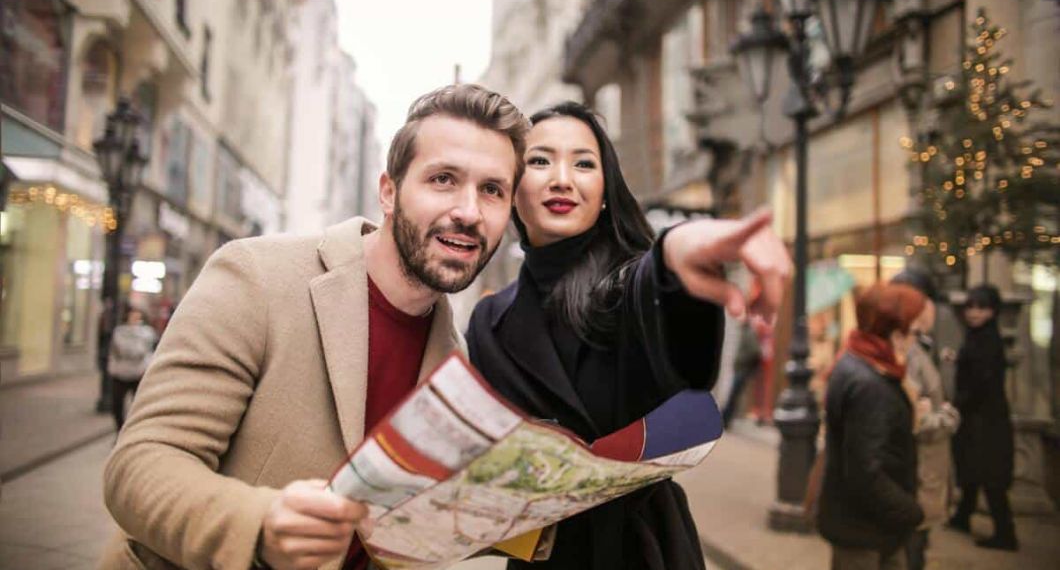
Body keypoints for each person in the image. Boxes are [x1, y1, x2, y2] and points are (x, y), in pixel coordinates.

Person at [100, 84, 529, 570]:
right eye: (443, 179)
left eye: (492, 190)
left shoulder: (454, 359)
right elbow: (138, 466)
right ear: (389, 192)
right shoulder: (256, 275)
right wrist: (260, 524)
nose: (469, 212)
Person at [466, 102, 792, 570]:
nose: (562, 178)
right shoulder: (488, 323)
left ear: (604, 191)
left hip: (644, 551)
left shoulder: (629, 286)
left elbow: (666, 308)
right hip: (542, 556)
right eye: (540, 161)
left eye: (584, 162)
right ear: (512, 186)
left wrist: (679, 249)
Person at [817, 283, 926, 570]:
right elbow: (865, 471)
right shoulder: (869, 383)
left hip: (865, 526)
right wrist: (911, 510)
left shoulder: (859, 360)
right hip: (866, 530)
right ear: (893, 331)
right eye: (913, 331)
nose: (916, 339)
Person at [890, 269, 960, 570]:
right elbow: (910, 418)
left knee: (916, 544)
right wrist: (947, 418)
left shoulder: (921, 344)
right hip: (915, 471)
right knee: (910, 549)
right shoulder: (903, 350)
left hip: (927, 469)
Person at [947, 284, 1018, 551]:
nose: (974, 313)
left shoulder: (987, 339)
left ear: (993, 311)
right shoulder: (978, 336)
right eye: (971, 307)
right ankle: (963, 516)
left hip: (984, 419)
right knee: (972, 470)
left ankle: (1005, 532)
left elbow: (981, 380)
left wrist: (958, 405)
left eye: (982, 307)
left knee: (989, 475)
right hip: (978, 416)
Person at [107, 306, 158, 430]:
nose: (135, 319)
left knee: (139, 406)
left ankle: (134, 430)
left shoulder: (147, 333)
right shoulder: (119, 332)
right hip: (120, 374)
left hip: (139, 374)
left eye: (138, 316)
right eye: (133, 316)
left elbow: (142, 351)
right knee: (117, 405)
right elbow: (121, 349)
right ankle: (120, 431)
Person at [722, 320, 764, 427]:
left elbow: (755, 351)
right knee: (734, 395)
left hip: (742, 369)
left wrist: (744, 362)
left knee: (733, 395)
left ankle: (725, 419)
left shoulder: (748, 332)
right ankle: (726, 419)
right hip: (741, 368)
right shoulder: (744, 332)